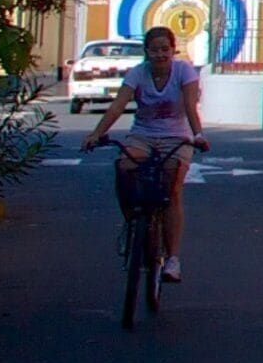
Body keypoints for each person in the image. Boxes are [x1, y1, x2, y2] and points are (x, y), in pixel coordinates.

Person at [79, 24, 207, 280]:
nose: (160, 55)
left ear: (173, 50)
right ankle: (133, 225)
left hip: (176, 138)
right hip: (143, 136)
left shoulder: (184, 72)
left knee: (171, 190)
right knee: (124, 167)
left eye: (165, 49)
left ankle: (172, 259)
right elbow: (117, 107)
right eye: (154, 50)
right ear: (146, 52)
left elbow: (191, 107)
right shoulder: (138, 74)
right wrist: (96, 133)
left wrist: (198, 135)